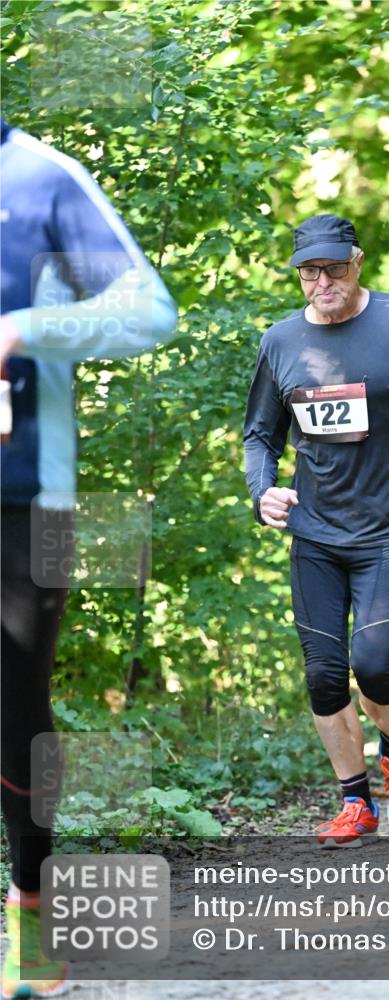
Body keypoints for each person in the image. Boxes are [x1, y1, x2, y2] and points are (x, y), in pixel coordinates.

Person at [0, 118, 178, 998]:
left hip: (27, 496)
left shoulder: (40, 176)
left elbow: (147, 310)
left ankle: (31, 915)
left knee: (14, 707)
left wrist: (24, 329)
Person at [243, 213, 389, 848]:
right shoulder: (281, 342)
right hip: (315, 534)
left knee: (374, 665)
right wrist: (261, 489)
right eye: (308, 271)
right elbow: (259, 435)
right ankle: (356, 803)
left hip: (386, 529)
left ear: (358, 262)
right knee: (324, 676)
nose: (321, 280)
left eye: (333, 267)